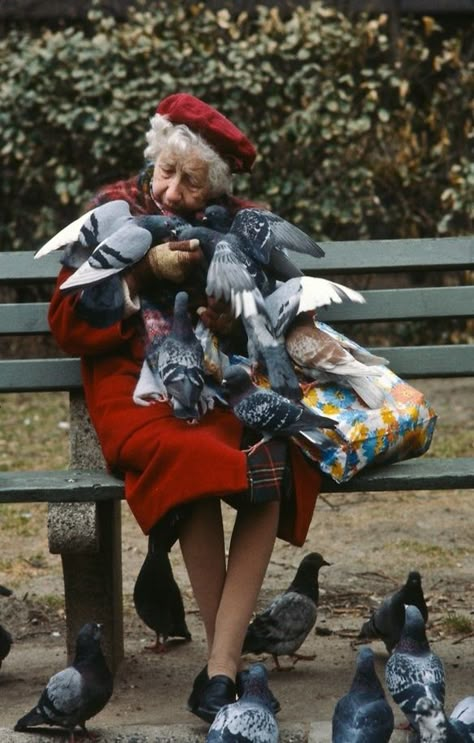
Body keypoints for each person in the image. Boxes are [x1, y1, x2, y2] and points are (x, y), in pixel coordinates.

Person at [48, 93, 322, 723]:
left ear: (217, 186)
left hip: (219, 378)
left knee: (271, 451)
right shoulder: (112, 208)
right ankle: (229, 669)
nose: (170, 192)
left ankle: (219, 669)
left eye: (191, 181)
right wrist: (140, 275)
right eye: (166, 171)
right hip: (133, 388)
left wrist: (230, 314)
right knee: (192, 451)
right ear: (154, 157)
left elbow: (283, 318)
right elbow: (64, 319)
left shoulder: (241, 222)